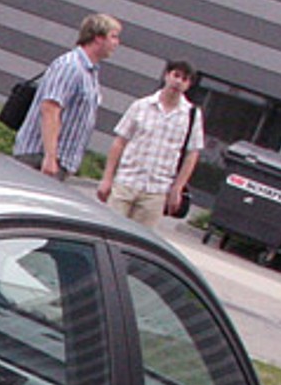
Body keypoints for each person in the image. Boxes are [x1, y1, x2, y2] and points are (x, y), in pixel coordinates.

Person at [12, 13, 122, 179]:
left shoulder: (89, 72)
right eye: (113, 37)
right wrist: (50, 157)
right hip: (39, 158)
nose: (117, 43)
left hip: (59, 161)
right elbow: (50, 108)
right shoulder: (71, 66)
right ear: (98, 38)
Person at [97, 59, 205, 228]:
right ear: (167, 75)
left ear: (188, 84)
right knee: (109, 230)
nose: (178, 82)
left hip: (157, 192)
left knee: (140, 239)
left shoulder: (192, 116)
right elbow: (119, 142)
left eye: (184, 79)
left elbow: (192, 155)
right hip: (126, 183)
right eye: (176, 75)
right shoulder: (141, 106)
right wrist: (107, 178)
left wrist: (177, 188)